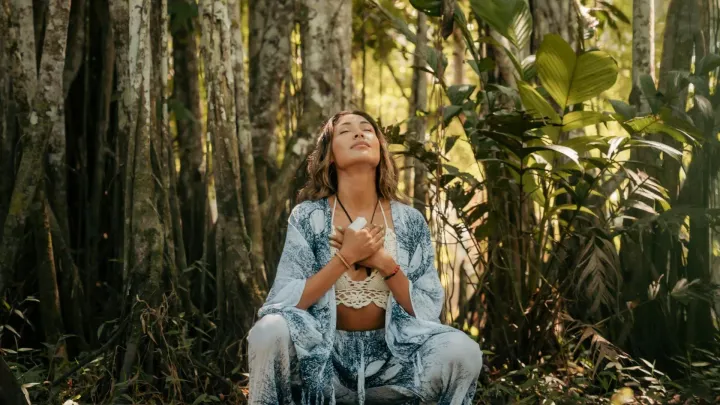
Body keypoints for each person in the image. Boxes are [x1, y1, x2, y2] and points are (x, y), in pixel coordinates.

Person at [247, 111, 483, 404]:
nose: (359, 134)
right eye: (345, 131)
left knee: (464, 351)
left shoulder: (410, 221)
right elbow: (285, 302)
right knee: (268, 331)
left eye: (367, 129)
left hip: (398, 365)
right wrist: (345, 258)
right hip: (323, 363)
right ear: (329, 156)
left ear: (381, 149)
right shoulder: (308, 217)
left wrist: (383, 262)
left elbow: (427, 310)